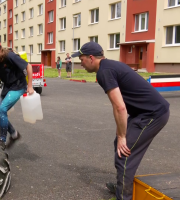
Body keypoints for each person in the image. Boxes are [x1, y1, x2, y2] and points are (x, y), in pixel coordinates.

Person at [72, 42, 170, 200]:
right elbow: (119, 107)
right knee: (120, 146)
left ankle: (123, 196)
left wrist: (122, 137)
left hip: (152, 115)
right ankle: (122, 185)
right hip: (143, 113)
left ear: (91, 58)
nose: (80, 63)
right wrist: (120, 135)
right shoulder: (109, 66)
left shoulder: (104, 72)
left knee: (124, 153)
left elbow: (120, 108)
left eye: (81, 59)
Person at [0, 37, 34, 150]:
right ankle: (14, 134)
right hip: (8, 87)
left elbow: (28, 66)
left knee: (2, 109)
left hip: (18, 86)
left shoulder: (10, 56)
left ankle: (2, 140)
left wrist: (30, 86)